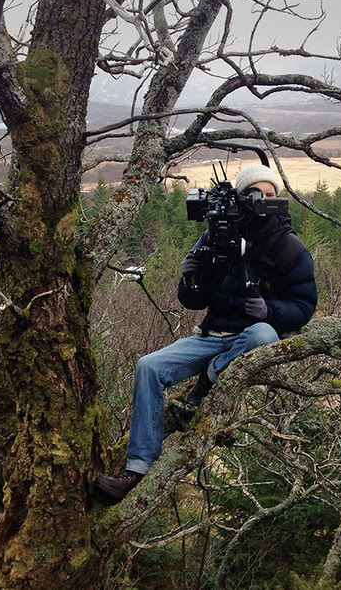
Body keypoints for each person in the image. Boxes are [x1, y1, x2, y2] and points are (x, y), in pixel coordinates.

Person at [94, 164, 317, 503]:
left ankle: (207, 381)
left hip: (251, 336)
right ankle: (137, 469)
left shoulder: (288, 247)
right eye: (256, 194)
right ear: (241, 198)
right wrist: (190, 278)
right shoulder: (215, 234)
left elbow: (305, 305)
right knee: (148, 367)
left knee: (262, 335)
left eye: (271, 195)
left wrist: (271, 312)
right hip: (211, 335)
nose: (264, 201)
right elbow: (193, 302)